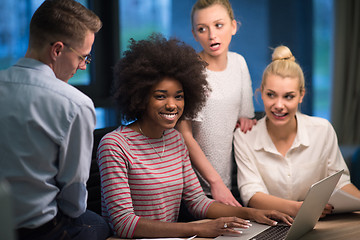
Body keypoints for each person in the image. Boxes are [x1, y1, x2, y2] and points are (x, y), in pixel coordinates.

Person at [97, 34, 293, 238]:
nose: (172, 105)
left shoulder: (175, 139)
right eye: (160, 96)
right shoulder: (115, 145)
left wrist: (252, 213)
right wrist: (198, 229)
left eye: (179, 96)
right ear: (140, 96)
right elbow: (123, 223)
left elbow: (198, 202)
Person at [0, 0, 111, 239]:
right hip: (36, 230)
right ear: (58, 50)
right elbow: (73, 201)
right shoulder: (74, 103)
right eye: (83, 57)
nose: (82, 67)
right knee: (99, 224)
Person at [234, 45, 360, 218]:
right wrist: (297, 208)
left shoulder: (322, 130)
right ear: (261, 93)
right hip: (270, 224)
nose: (279, 105)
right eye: (271, 95)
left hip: (319, 223)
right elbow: (251, 194)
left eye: (288, 96)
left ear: (301, 95)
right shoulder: (244, 136)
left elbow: (341, 183)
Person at [176, 0, 256, 206]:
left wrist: (246, 121)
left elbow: (245, 117)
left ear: (234, 26)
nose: (212, 35)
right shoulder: (190, 71)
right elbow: (184, 134)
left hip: (232, 183)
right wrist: (214, 181)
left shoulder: (239, 63)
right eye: (202, 29)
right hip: (194, 186)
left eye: (218, 25)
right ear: (194, 34)